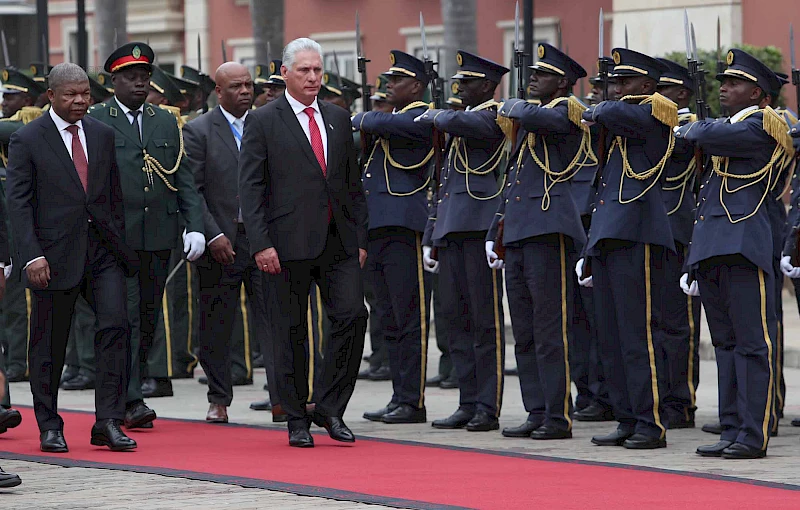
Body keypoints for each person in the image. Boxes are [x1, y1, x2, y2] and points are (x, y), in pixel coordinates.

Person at [239, 37, 368, 448]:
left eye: (317, 70)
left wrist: (360, 237)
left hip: (339, 242)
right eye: (304, 71)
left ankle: (329, 408)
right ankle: (296, 417)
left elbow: (351, 184)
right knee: (290, 331)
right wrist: (260, 244)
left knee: (352, 317)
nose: (313, 77)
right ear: (285, 73)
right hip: (285, 244)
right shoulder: (263, 120)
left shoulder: (337, 117)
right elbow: (251, 188)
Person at [6, 62, 138, 453]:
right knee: (49, 343)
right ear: (51, 96)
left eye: (85, 93)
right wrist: (32, 256)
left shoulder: (101, 134)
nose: (81, 101)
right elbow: (18, 204)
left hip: (102, 253)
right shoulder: (28, 139)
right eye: (71, 95)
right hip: (53, 256)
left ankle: (109, 421)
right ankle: (49, 424)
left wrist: (120, 244)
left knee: (115, 327)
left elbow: (113, 195)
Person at [88, 42, 206, 430]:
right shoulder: (97, 119)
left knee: (149, 318)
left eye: (145, 78)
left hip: (159, 234)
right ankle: (131, 399)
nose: (140, 85)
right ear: (114, 81)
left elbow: (181, 176)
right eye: (132, 78)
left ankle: (131, 392)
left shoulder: (165, 120)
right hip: (116, 239)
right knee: (126, 319)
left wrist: (194, 225)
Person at [680, 50, 789, 459]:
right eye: (722, 82)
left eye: (734, 82)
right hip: (712, 245)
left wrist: (692, 128)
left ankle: (753, 433)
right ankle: (731, 427)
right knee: (724, 344)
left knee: (751, 343)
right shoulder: (723, 127)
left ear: (757, 93)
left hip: (746, 244)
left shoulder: (764, 124)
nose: (723, 87)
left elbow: (704, 135)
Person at [487, 44, 590, 439]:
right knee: (526, 329)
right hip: (518, 231)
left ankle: (557, 415)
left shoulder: (567, 112)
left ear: (562, 82)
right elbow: (511, 181)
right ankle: (536, 409)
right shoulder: (530, 119)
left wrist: (513, 104)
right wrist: (497, 226)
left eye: (543, 74)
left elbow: (536, 116)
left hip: (549, 230)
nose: (533, 78)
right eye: (532, 73)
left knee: (550, 329)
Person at [579, 48, 676, 450]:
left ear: (648, 86)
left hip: (639, 236)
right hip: (609, 235)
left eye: (623, 82)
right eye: (612, 82)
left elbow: (610, 113)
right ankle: (626, 417)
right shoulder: (619, 120)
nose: (614, 88)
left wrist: (601, 106)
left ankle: (650, 423)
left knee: (638, 336)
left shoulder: (655, 114)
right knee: (611, 337)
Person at [417, 50, 508, 432]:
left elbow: (480, 128)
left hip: (480, 228)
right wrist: (431, 235)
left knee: (485, 323)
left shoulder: (495, 117)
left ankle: (487, 406)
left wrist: (437, 114)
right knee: (455, 321)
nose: (460, 87)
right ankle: (467, 401)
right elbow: (443, 185)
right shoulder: (460, 122)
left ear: (487, 86)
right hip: (451, 229)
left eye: (467, 82)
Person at [184, 61, 274, 424]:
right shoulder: (199, 131)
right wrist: (213, 234)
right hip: (221, 242)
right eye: (236, 86)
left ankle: (282, 396)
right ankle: (219, 398)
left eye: (249, 85)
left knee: (274, 320)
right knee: (216, 324)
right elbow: (193, 191)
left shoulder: (268, 125)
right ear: (218, 92)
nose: (245, 92)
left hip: (263, 241)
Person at [354, 51, 433, 425]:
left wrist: (361, 117)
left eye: (396, 80)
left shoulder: (421, 117)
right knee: (388, 318)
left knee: (409, 318)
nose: (388, 85)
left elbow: (378, 123)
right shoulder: (390, 120)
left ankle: (412, 401)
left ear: (416, 86)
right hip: (377, 229)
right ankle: (399, 396)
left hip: (405, 227)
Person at [653, 58, 701, 429]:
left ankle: (679, 401)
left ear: (681, 94)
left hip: (677, 231)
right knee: (652, 321)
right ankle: (656, 396)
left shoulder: (690, 128)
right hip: (650, 230)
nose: (654, 94)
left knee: (676, 323)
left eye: (662, 88)